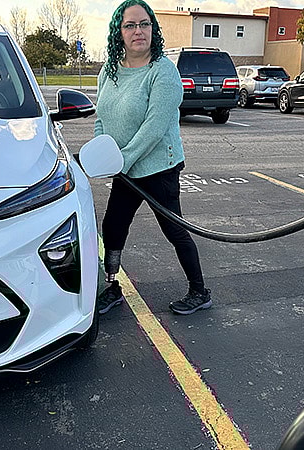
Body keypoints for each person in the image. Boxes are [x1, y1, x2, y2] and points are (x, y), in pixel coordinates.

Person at [93, 0, 212, 315]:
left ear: (153, 29)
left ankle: (200, 291)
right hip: (125, 169)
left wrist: (121, 160)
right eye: (129, 25)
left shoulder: (163, 71)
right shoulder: (110, 70)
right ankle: (112, 285)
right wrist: (102, 152)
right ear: (119, 32)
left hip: (159, 168)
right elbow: (101, 117)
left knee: (173, 229)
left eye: (144, 24)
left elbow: (154, 128)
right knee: (113, 226)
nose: (137, 31)